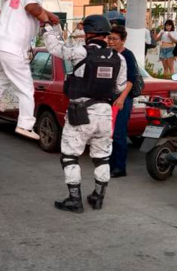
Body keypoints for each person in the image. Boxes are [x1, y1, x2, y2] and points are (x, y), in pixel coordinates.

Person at [42, 15, 126, 212]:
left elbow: (54, 48)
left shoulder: (80, 51)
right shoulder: (119, 58)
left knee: (70, 156)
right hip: (105, 113)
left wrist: (48, 28)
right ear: (105, 34)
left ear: (89, 33)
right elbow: (120, 87)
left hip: (81, 111)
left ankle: (74, 200)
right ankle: (98, 197)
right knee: (102, 157)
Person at [0, 0, 59, 140]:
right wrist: (46, 22)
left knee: (2, 80)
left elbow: (31, 6)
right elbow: (32, 7)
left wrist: (49, 15)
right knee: (26, 89)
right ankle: (25, 125)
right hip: (13, 49)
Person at [107, 25, 137, 178]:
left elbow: (131, 80)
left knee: (119, 134)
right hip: (109, 98)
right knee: (109, 134)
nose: (111, 41)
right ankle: (111, 165)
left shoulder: (128, 55)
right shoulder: (108, 54)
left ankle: (120, 168)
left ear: (123, 40)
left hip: (122, 99)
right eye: (109, 38)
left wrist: (121, 98)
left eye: (115, 39)